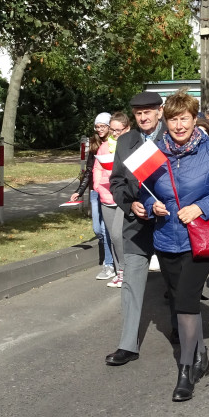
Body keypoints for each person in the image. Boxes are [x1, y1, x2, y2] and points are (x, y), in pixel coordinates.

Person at [142, 91, 209, 401]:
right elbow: (142, 190)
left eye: (184, 118)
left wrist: (201, 207)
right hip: (165, 238)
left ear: (193, 119)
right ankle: (200, 355)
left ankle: (186, 370)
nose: (179, 125)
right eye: (173, 119)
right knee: (181, 302)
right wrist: (149, 204)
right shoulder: (156, 152)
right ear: (165, 120)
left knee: (185, 299)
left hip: (199, 239)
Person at [105, 91, 167, 367]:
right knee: (131, 282)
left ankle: (182, 327)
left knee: (176, 281)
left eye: (148, 111)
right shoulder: (127, 141)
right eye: (139, 113)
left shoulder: (173, 136)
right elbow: (116, 182)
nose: (143, 117)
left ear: (160, 112)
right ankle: (128, 344)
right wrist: (130, 206)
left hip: (169, 222)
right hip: (136, 223)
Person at [70, 113, 116, 280]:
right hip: (96, 191)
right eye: (97, 127)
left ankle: (109, 265)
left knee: (106, 228)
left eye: (102, 126)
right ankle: (112, 253)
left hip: (110, 191)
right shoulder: (95, 144)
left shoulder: (115, 143)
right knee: (98, 229)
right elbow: (89, 170)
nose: (100, 129)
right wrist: (79, 191)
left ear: (109, 126)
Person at [93, 112, 131, 288]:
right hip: (106, 196)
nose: (114, 134)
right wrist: (98, 186)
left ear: (127, 128)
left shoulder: (132, 144)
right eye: (113, 130)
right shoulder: (105, 146)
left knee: (117, 234)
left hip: (123, 197)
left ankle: (125, 270)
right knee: (111, 236)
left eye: (118, 130)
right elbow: (97, 167)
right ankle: (119, 271)